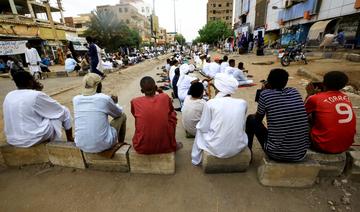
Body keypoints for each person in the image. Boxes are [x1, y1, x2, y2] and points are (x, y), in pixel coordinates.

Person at [246, 69, 309, 162]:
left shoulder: (265, 94)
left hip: (276, 153)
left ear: (268, 81)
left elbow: (258, 119)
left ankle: (249, 152)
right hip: (300, 153)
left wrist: (264, 92)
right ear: (286, 82)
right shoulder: (294, 91)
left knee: (251, 119)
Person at [3, 71, 73, 147]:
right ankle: (69, 139)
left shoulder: (9, 95)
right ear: (30, 81)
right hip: (31, 139)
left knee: (42, 113)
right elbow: (59, 110)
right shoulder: (36, 95)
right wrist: (37, 89)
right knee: (64, 110)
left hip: (13, 140)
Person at [191, 73, 248, 165]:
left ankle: (195, 159)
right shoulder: (242, 103)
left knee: (199, 129)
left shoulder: (211, 103)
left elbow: (204, 127)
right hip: (238, 147)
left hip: (217, 148)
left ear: (217, 88)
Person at [73, 73, 126, 153]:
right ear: (98, 85)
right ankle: (120, 143)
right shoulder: (103, 98)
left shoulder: (76, 99)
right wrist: (115, 103)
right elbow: (118, 113)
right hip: (103, 145)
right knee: (123, 116)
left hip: (81, 144)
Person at [305, 71, 356, 154]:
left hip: (323, 146)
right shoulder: (346, 97)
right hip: (346, 145)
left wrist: (309, 95)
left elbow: (300, 114)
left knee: (303, 121)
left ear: (324, 83)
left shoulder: (315, 98)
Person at [131, 76, 182, 154]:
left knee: (143, 120)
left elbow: (135, 115)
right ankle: (172, 143)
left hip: (141, 147)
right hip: (166, 146)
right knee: (172, 115)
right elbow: (171, 110)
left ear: (142, 91)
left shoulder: (134, 102)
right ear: (155, 88)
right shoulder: (164, 97)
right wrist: (160, 91)